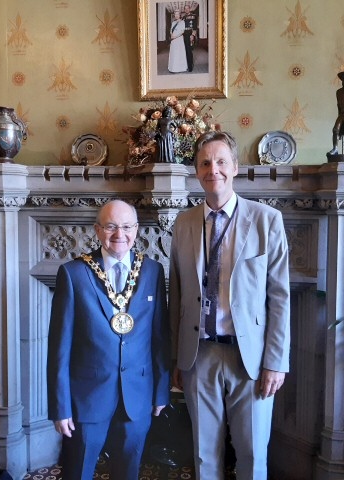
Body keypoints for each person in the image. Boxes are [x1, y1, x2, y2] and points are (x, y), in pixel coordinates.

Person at [169, 131, 290, 480]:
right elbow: (175, 293)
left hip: (249, 357)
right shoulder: (184, 223)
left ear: (235, 167)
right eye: (205, 163)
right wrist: (177, 356)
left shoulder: (267, 221)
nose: (213, 169)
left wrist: (275, 362)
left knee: (252, 454)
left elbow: (279, 297)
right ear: (197, 171)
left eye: (221, 161)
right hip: (199, 355)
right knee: (204, 454)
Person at [47, 199, 170, 480]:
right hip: (87, 399)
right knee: (78, 472)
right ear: (97, 230)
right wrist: (60, 407)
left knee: (128, 473)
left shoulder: (152, 271)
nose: (120, 234)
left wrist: (161, 390)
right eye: (111, 226)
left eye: (127, 226)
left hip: (137, 397)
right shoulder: (74, 273)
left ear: (136, 229)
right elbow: (59, 348)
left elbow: (160, 336)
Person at [328, 71, 344, 155]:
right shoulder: (339, 92)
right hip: (342, 114)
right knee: (335, 130)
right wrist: (338, 116)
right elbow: (339, 106)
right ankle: (335, 148)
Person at [181, 4, 198, 72]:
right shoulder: (183, 17)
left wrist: (193, 35)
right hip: (184, 35)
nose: (186, 10)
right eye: (185, 9)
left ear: (190, 9)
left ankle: (190, 67)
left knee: (189, 51)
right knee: (185, 50)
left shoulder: (194, 16)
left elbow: (195, 27)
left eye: (187, 8)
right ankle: (186, 65)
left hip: (190, 34)